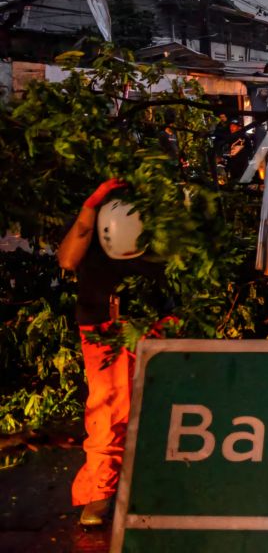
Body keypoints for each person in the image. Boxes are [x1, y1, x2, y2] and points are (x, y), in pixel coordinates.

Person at [57, 180, 171, 527]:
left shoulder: (160, 220)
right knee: (108, 414)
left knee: (159, 409)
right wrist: (90, 208)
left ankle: (147, 487)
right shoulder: (93, 221)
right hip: (105, 329)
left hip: (155, 324)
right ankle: (100, 493)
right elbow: (67, 259)